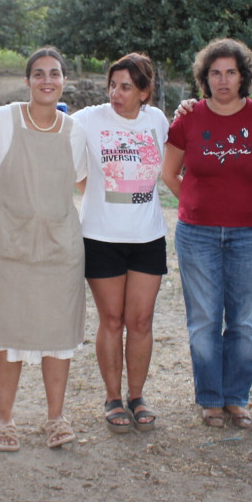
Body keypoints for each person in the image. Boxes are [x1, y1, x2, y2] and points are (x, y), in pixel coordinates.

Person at [0, 46, 88, 452]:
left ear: (64, 81)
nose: (47, 80)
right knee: (7, 334)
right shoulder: (1, 121)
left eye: (54, 73)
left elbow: (82, 183)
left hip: (58, 251)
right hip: (6, 247)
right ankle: (4, 420)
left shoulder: (75, 131)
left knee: (57, 335)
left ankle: (55, 418)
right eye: (38, 73)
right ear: (28, 80)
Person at [161, 39, 252, 430]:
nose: (223, 80)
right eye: (215, 73)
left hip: (251, 233)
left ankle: (237, 399)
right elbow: (169, 174)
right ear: (204, 78)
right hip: (198, 235)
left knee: (243, 321)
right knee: (205, 318)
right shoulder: (188, 119)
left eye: (230, 72)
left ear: (243, 77)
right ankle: (210, 398)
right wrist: (194, 203)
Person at [72, 53, 168, 433]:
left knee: (140, 320)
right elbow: (49, 126)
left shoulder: (158, 121)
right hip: (101, 237)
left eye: (126, 87)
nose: (116, 93)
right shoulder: (89, 120)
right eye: (112, 85)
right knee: (111, 320)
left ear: (145, 91)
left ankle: (137, 395)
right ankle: (113, 397)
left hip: (148, 237)